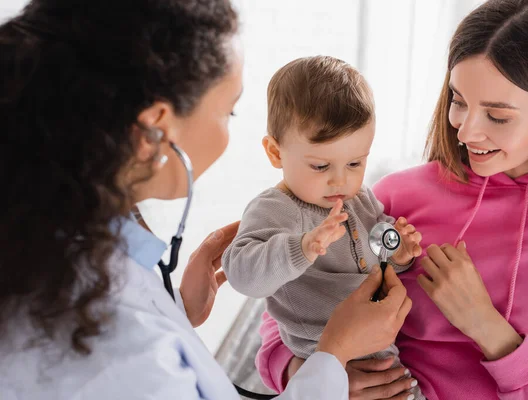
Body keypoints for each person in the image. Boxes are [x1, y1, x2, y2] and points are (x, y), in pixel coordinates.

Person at [0, 1, 414, 399]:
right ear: (157, 128)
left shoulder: (75, 248)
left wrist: (178, 309)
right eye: (228, 111)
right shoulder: (120, 351)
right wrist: (332, 355)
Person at [256, 0, 528, 399]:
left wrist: (488, 329)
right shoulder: (390, 197)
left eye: (498, 116)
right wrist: (315, 373)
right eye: (458, 101)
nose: (466, 132)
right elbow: (288, 305)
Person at [222, 56, 424, 400]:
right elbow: (242, 274)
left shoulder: (358, 198)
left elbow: (378, 248)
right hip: (323, 357)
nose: (340, 180)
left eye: (355, 163)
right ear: (275, 152)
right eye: (320, 165)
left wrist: (400, 251)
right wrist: (301, 249)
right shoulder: (276, 210)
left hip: (381, 352)